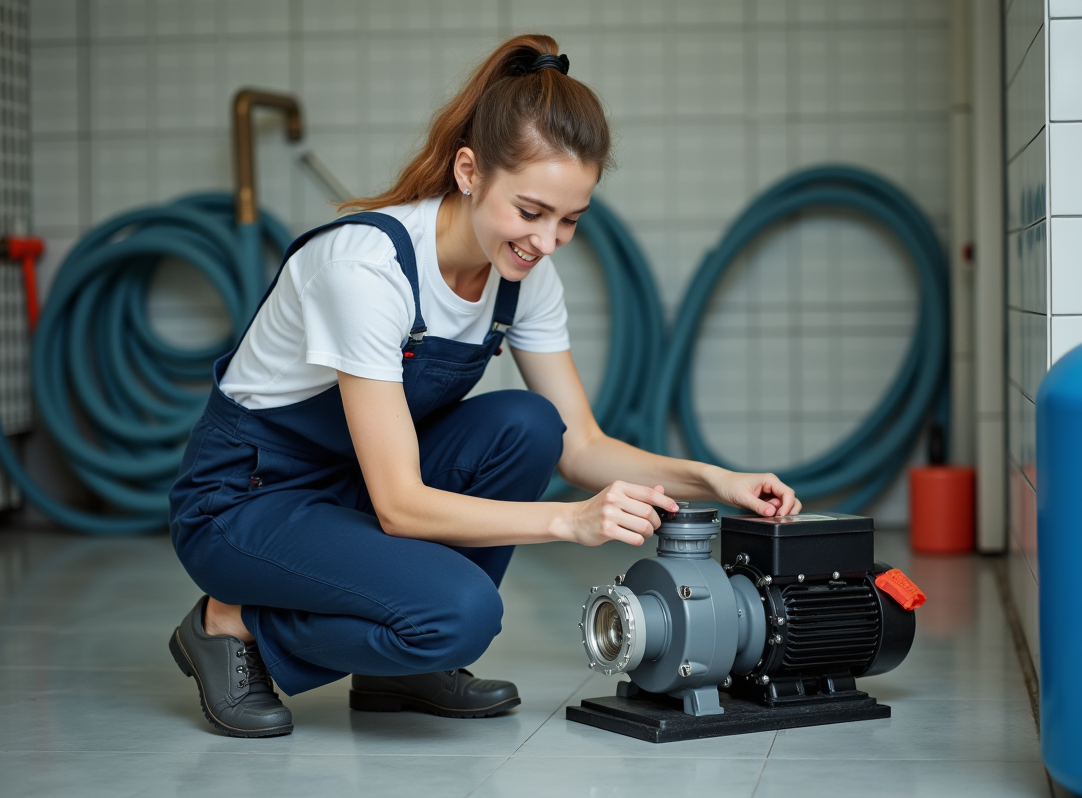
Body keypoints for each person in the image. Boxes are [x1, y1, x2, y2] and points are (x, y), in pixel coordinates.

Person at [167, 34, 801, 739]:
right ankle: (231, 623)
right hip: (244, 506)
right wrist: (568, 522)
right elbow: (401, 506)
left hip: (351, 488)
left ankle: (398, 669)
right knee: (459, 616)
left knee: (529, 425)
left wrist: (716, 480)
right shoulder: (365, 270)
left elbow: (581, 445)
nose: (548, 241)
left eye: (569, 220)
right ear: (469, 172)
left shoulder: (523, 278)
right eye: (530, 212)